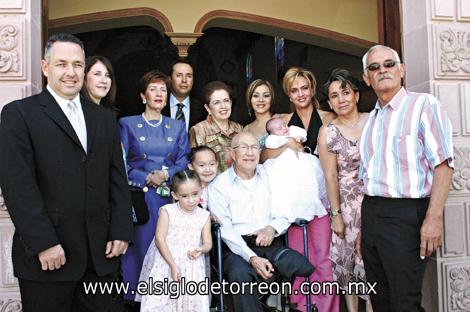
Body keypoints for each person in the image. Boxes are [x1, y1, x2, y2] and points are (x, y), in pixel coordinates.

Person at [0, 33, 133, 311]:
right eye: (61, 64)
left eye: (77, 64)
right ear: (45, 67)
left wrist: (121, 229)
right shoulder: (19, 114)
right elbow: (17, 185)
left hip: (101, 258)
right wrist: (43, 243)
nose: (70, 72)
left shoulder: (104, 118)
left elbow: (117, 178)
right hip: (49, 258)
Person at [358, 45, 454, 311]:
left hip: (406, 215)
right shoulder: (372, 119)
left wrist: (433, 218)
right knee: (380, 299)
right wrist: (365, 227)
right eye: (374, 68)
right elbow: (369, 178)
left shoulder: (423, 105)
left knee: (405, 302)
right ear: (367, 78)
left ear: (402, 69)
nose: (382, 71)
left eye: (389, 64)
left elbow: (444, 165)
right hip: (372, 213)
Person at [208, 132, 315, 312]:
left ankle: (270, 303)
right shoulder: (219, 185)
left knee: (295, 263)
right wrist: (252, 257)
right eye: (244, 147)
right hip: (236, 246)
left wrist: (271, 228)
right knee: (240, 273)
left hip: (268, 240)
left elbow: (285, 209)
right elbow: (225, 230)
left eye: (254, 147)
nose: (250, 152)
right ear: (232, 154)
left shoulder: (270, 175)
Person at [261, 67, 339, 312]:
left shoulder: (328, 117)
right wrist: (290, 147)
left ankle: (326, 308)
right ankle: (303, 306)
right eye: (294, 90)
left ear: (312, 89)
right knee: (299, 256)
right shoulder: (282, 122)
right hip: (294, 198)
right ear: (289, 95)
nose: (301, 94)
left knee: (324, 257)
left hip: (323, 196)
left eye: (305, 88)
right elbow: (264, 155)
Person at [119, 70, 190, 301]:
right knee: (142, 251)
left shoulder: (176, 126)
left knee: (171, 253)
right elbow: (121, 163)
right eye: (153, 89)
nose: (159, 94)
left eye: (163, 90)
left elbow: (183, 160)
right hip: (142, 198)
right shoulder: (127, 124)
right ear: (143, 96)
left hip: (169, 198)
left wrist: (166, 173)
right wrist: (147, 177)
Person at [318, 68, 371, 312]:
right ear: (329, 102)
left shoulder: (374, 121)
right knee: (347, 263)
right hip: (347, 205)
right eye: (334, 95)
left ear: (357, 95)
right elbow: (330, 174)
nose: (341, 99)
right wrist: (336, 214)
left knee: (372, 262)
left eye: (346, 92)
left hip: (375, 201)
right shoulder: (327, 131)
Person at [137, 170, 211, 312]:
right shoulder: (167, 211)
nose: (191, 200)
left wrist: (201, 249)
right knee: (161, 302)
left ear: (201, 189)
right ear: (175, 195)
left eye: (195, 194)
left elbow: (208, 243)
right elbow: (159, 239)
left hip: (191, 267)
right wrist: (172, 265)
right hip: (166, 262)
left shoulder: (204, 216)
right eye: (184, 196)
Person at [264, 117, 327, 223]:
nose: (284, 128)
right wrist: (287, 141)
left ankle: (309, 205)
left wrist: (299, 138)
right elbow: (270, 144)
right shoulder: (273, 138)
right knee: (287, 185)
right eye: (279, 128)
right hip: (284, 163)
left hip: (302, 160)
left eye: (284, 125)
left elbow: (303, 134)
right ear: (272, 133)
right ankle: (290, 209)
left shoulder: (292, 130)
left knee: (307, 181)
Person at [189, 81, 243, 172]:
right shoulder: (199, 130)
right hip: (210, 184)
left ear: (231, 103)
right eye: (216, 102)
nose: (223, 106)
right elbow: (194, 167)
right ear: (208, 108)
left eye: (226, 101)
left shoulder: (239, 128)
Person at [243, 79, 289, 148]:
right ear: (250, 99)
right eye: (256, 96)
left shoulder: (285, 118)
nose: (261, 100)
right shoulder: (247, 129)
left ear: (271, 99)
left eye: (266, 95)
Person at [162, 58, 205, 131]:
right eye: (179, 75)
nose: (184, 80)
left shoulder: (203, 109)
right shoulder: (159, 105)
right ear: (170, 79)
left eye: (189, 76)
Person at [188, 145, 219, 210]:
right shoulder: (187, 188)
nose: (208, 169)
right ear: (191, 167)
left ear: (217, 164)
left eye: (212, 164)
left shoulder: (222, 185)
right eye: (201, 165)